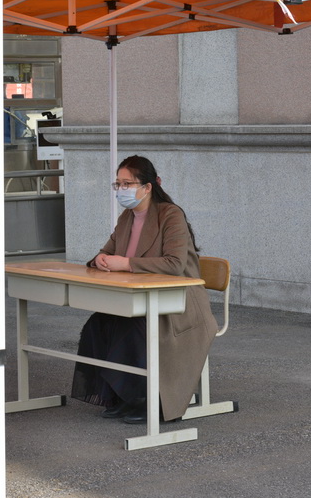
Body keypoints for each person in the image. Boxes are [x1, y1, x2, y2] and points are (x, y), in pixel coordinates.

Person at [71, 155, 218, 424]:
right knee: (99, 324)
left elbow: (174, 264)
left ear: (148, 187)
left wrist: (126, 263)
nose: (121, 189)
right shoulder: (127, 217)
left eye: (127, 183)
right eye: (118, 184)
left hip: (180, 302)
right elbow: (107, 251)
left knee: (133, 328)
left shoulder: (170, 215)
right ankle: (121, 396)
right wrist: (99, 259)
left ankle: (147, 401)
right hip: (142, 297)